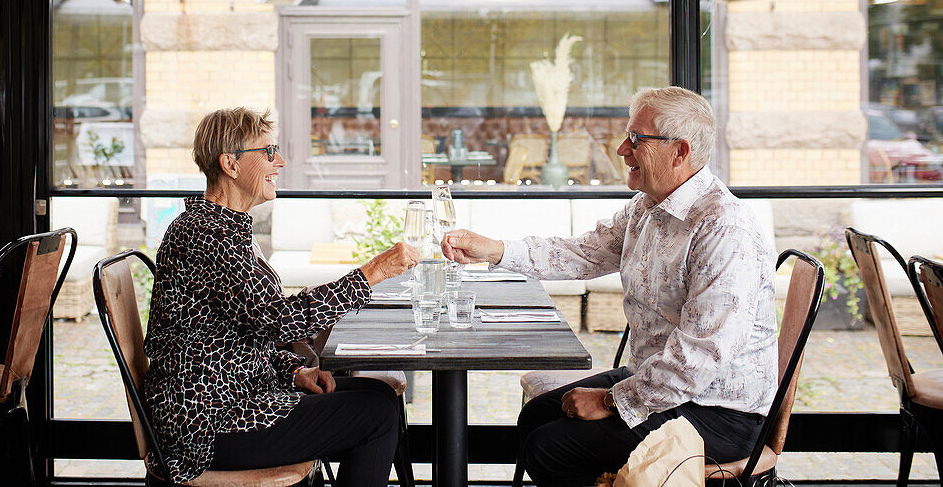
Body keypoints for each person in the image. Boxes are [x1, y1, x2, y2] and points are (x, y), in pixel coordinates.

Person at [443, 87, 776, 486]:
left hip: (718, 410)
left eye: (636, 139)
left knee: (550, 446)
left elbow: (701, 356)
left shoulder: (723, 228)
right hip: (662, 382)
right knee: (535, 417)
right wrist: (493, 250)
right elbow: (581, 253)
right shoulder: (648, 207)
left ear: (680, 151)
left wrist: (610, 401)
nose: (622, 149)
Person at [143, 107, 419, 486]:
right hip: (210, 425)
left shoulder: (222, 229)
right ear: (231, 164)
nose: (282, 161)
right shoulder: (207, 236)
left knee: (381, 396)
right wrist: (372, 273)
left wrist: (295, 371)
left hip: (238, 398)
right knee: (376, 415)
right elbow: (277, 319)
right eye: (268, 152)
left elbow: (244, 333)